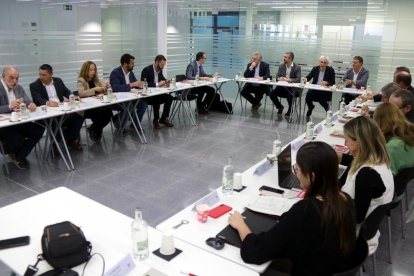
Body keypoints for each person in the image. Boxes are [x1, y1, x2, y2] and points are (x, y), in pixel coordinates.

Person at [228, 142, 356, 275]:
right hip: (329, 266)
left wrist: (240, 225)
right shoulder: (345, 199)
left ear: (312, 176)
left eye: (297, 170)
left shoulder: (306, 210)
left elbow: (255, 252)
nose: (296, 174)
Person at [338, 116, 393, 254]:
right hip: (361, 226)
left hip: (352, 235)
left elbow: (356, 218)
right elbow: (350, 171)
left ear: (360, 141)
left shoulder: (367, 174)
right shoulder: (377, 159)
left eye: (347, 140)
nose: (345, 144)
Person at [30, 64, 84, 151]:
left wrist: (73, 96)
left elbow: (66, 92)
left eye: (44, 75)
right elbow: (37, 99)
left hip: (61, 110)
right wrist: (47, 102)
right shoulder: (34, 85)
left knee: (78, 118)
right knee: (54, 122)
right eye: (40, 74)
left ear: (51, 74)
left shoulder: (58, 81)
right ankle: (55, 145)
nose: (41, 77)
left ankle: (70, 140)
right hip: (47, 113)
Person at [0, 67, 44, 169]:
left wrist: (32, 105)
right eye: (11, 78)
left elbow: (27, 101)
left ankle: (18, 156)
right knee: (17, 137)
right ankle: (8, 150)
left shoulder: (18, 88)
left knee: (38, 129)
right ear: (3, 77)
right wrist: (9, 106)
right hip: (4, 124)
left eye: (17, 78)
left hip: (19, 120)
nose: (15, 81)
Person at [109, 53, 148, 134]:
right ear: (125, 64)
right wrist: (132, 85)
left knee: (143, 104)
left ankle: (135, 125)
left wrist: (140, 85)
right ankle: (119, 124)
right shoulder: (115, 73)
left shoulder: (130, 73)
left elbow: (135, 84)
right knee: (129, 106)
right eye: (132, 63)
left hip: (129, 98)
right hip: (118, 100)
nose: (134, 65)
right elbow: (116, 88)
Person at [373, 103, 414, 177]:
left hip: (388, 182)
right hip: (404, 182)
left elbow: (380, 175)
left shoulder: (391, 147)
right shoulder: (408, 135)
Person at [77, 61, 113, 141]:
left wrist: (107, 86)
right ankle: (97, 133)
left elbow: (102, 89)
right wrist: (93, 90)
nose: (93, 72)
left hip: (98, 104)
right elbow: (81, 93)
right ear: (86, 70)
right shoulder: (81, 80)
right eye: (91, 70)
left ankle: (92, 128)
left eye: (94, 70)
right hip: (87, 107)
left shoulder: (96, 79)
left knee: (108, 113)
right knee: (98, 114)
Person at [140, 55, 174, 129]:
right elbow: (143, 83)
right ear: (156, 62)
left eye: (164, 65)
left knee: (170, 98)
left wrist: (166, 81)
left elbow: (162, 79)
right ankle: (155, 120)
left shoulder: (159, 70)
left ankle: (163, 118)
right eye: (162, 65)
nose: (163, 67)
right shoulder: (146, 70)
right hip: (148, 95)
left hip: (157, 93)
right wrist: (157, 84)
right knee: (157, 98)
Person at [269, 52, 302, 117]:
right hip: (282, 87)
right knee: (271, 94)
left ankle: (290, 110)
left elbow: (298, 79)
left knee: (290, 96)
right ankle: (280, 107)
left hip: (292, 88)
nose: (283, 58)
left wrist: (289, 80)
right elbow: (277, 76)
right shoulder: (281, 66)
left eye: (285, 57)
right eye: (284, 57)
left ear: (290, 59)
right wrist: (279, 78)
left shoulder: (297, 67)